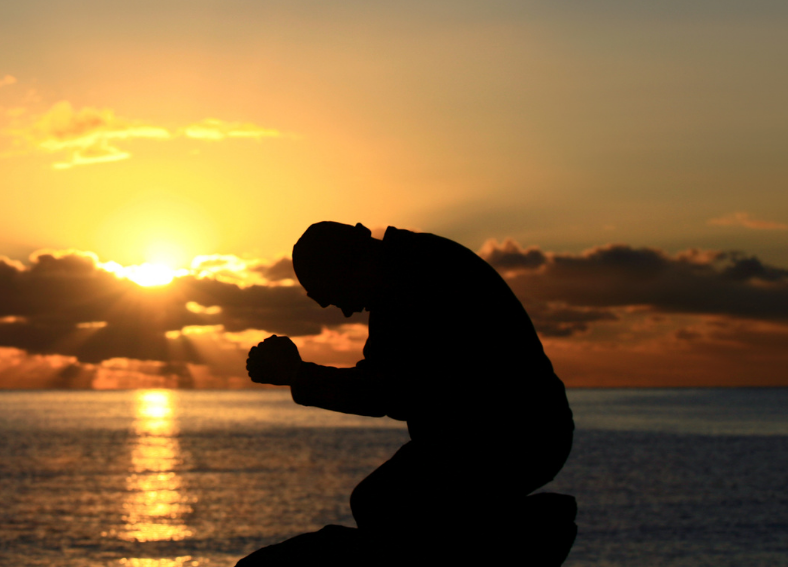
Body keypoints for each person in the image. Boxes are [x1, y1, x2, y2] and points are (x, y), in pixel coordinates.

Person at [237, 222, 576, 566]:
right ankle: (523, 531)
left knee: (383, 504)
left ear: (348, 264)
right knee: (382, 503)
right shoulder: (408, 268)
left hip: (512, 437)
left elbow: (384, 391)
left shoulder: (412, 280)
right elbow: (391, 385)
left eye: (334, 294)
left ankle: (527, 534)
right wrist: (299, 375)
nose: (345, 310)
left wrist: (297, 374)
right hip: (505, 433)